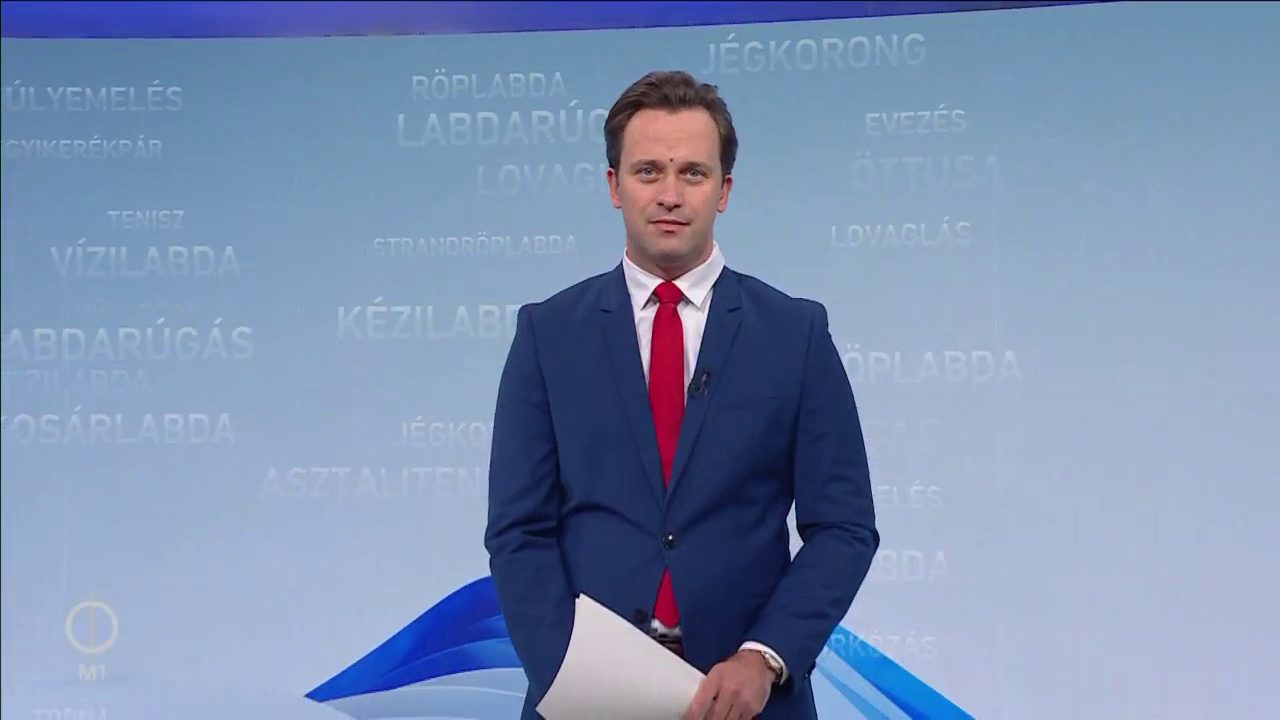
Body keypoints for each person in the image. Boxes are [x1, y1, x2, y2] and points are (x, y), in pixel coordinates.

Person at [484, 69, 879, 720]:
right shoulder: (547, 334)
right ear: (614, 186)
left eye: (693, 173)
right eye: (648, 172)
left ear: (724, 190)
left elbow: (844, 526)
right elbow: (518, 531)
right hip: (585, 700)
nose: (670, 194)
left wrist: (765, 657)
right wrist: (567, 674)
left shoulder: (795, 334)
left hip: (749, 702)